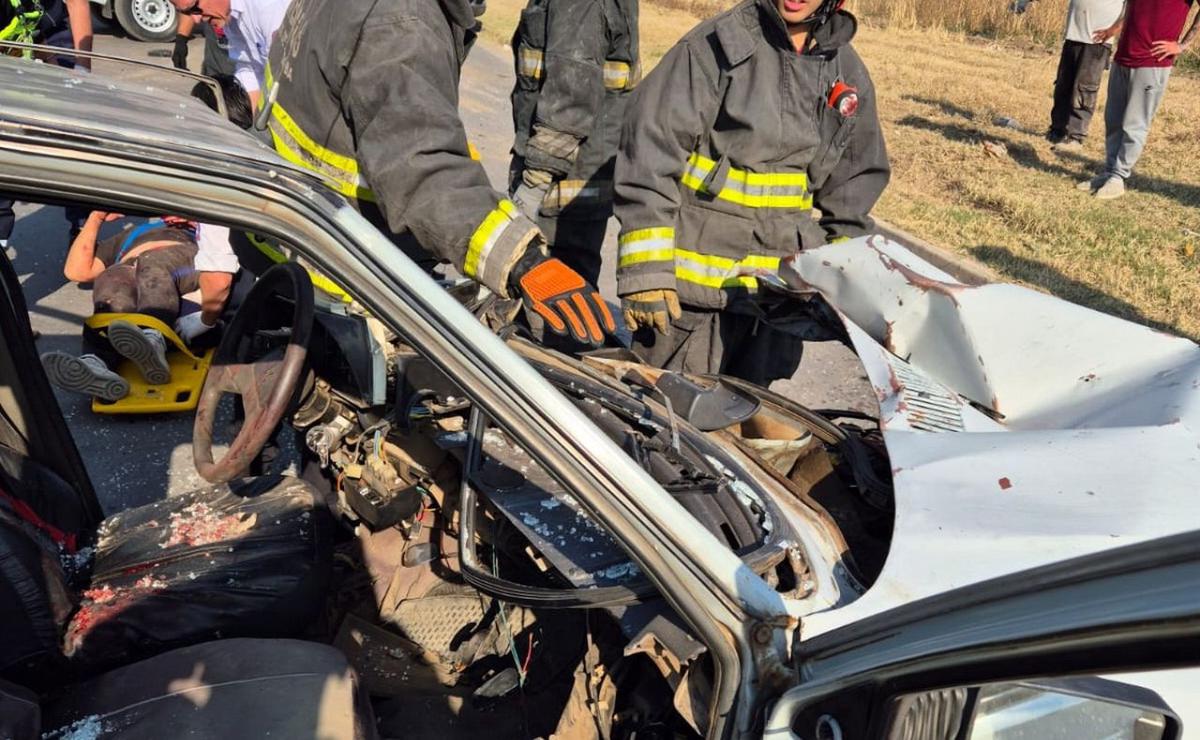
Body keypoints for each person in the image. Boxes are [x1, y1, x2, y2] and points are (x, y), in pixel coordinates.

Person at [258, 0, 616, 347]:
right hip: (341, 277)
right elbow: (423, 166)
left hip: (288, 248)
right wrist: (520, 259)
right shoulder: (403, 22)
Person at [613, 0, 889, 384]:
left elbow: (854, 189)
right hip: (692, 301)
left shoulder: (844, 70)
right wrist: (647, 275)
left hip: (773, 305)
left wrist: (837, 281)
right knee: (663, 424)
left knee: (749, 430)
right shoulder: (717, 47)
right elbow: (649, 152)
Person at [508, 0, 640, 285]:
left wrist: (534, 184)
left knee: (547, 291)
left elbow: (570, 90)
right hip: (579, 175)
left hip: (558, 182)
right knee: (569, 289)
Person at [40, 212, 238, 401]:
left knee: (152, 266)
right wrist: (96, 218)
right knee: (111, 278)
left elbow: (223, 264)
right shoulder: (131, 233)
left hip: (183, 262)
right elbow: (77, 272)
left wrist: (198, 222)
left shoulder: (206, 231)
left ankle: (153, 339)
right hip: (130, 267)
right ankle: (96, 364)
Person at [1078, 0, 1199, 199]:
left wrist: (1182, 45)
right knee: (1113, 119)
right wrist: (1113, 29)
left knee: (1134, 123)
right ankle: (1109, 171)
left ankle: (1118, 177)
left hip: (1152, 61)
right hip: (1124, 55)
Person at [168, 0, 291, 111]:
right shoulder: (229, 18)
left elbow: (290, 78)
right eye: (186, 12)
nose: (197, 20)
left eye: (195, 8)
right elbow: (249, 69)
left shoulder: (270, 9)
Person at [1046, 0, 1125, 152]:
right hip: (1074, 35)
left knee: (1085, 89)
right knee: (1063, 85)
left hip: (1097, 40)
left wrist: (1113, 30)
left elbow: (1133, 8)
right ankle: (1057, 130)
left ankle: (1076, 137)